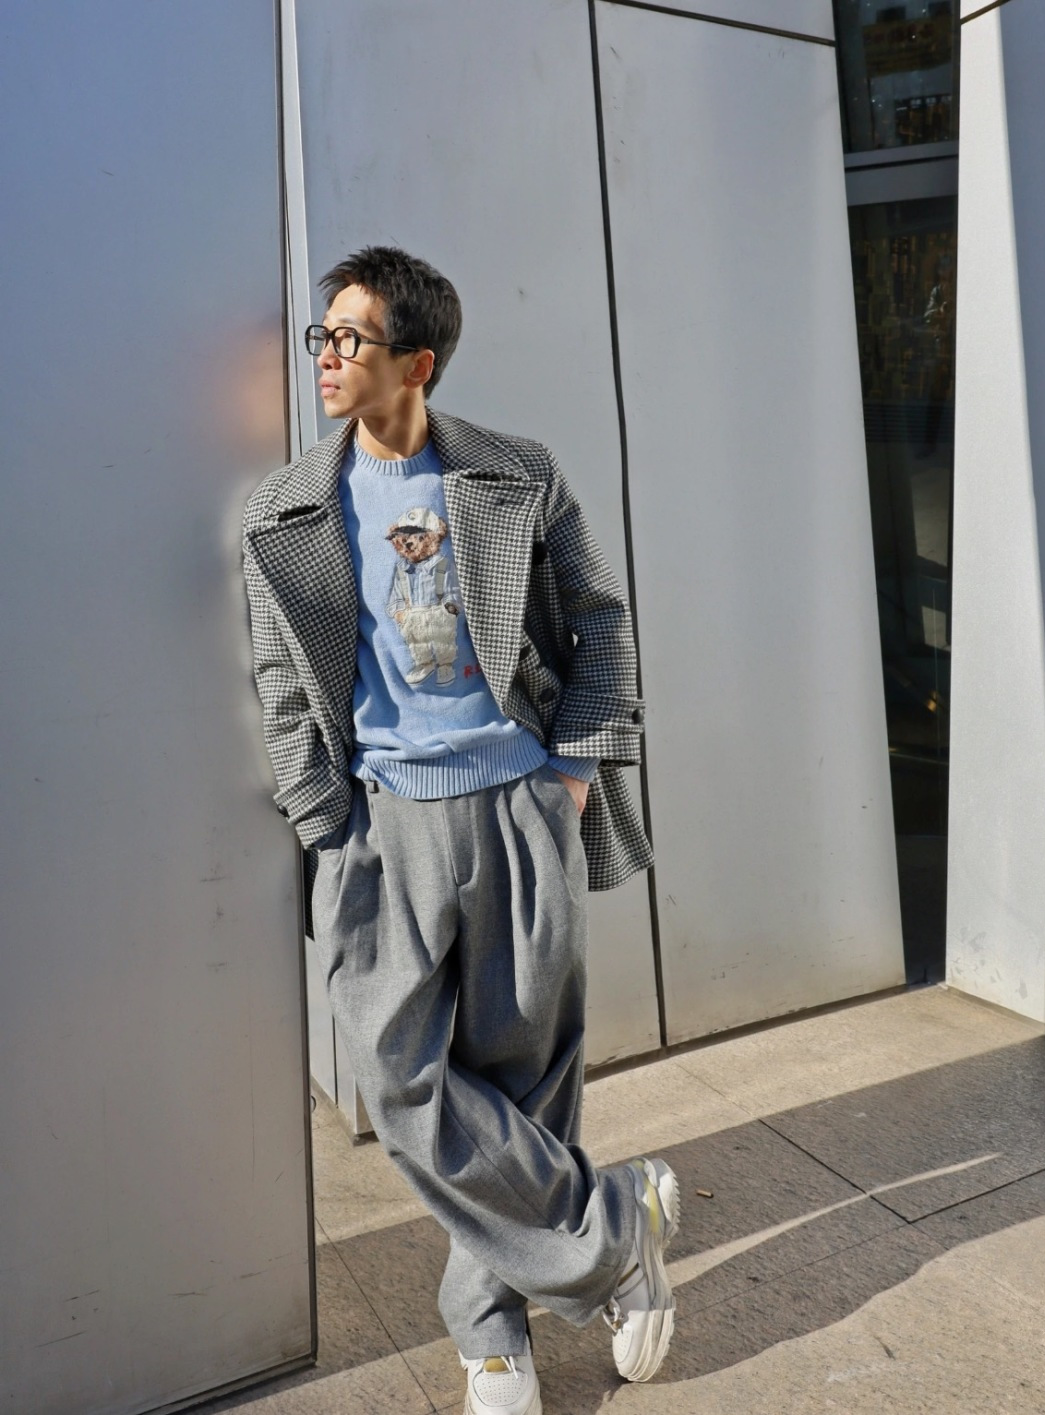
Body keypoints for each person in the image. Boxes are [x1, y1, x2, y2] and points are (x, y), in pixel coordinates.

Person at [241, 245, 679, 1414]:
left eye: (352, 338)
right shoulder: (285, 509)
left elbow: (601, 622)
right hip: (378, 824)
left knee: (524, 1074)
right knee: (397, 1077)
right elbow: (281, 685)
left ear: (417, 363)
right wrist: (325, 822)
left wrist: (568, 777)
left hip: (517, 804)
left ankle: (491, 1334)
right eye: (324, 335)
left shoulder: (514, 475)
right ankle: (614, 1226)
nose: (327, 356)